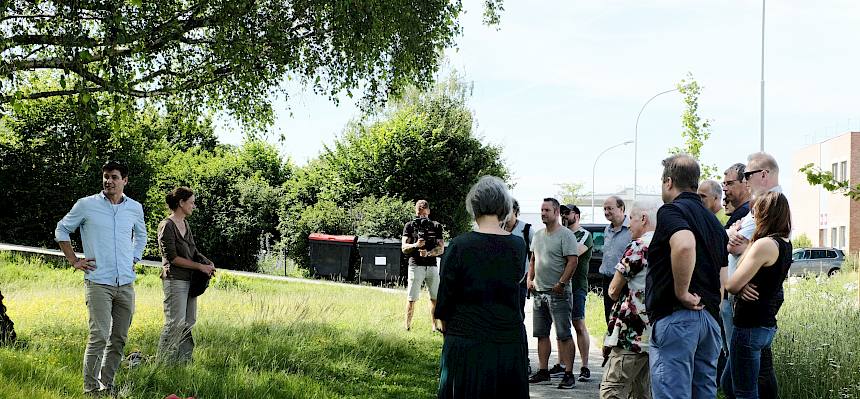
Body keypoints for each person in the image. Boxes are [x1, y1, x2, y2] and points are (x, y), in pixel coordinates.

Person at [55, 160, 147, 395]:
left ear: (124, 180)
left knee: (119, 337)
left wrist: (133, 259)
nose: (109, 181)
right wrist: (74, 260)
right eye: (106, 176)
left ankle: (108, 385)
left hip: (125, 282)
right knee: (99, 336)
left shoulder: (135, 208)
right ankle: (91, 389)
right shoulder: (86, 205)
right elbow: (62, 229)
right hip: (98, 282)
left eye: (115, 177)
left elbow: (142, 235)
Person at [435, 176, 528, 399]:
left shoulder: (459, 245)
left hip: (466, 341)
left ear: (474, 206)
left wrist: (443, 323)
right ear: (504, 207)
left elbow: (445, 298)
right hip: (508, 342)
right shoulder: (518, 245)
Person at [646, 154, 727, 399]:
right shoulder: (714, 223)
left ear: (669, 182)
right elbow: (723, 277)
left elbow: (684, 244)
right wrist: (714, 306)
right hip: (710, 321)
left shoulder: (671, 211)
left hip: (677, 317)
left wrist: (681, 292)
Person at [723, 152, 784, 398]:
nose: (744, 180)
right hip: (756, 305)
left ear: (764, 174)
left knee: (743, 388)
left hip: (753, 302)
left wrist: (738, 282)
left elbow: (732, 281)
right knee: (744, 378)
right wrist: (729, 236)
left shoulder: (773, 205)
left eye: (746, 175)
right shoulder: (766, 209)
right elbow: (731, 238)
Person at [600, 199, 660, 399]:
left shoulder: (638, 247)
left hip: (631, 334)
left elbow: (614, 289)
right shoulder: (667, 245)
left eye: (632, 219)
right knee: (642, 391)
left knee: (611, 389)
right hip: (655, 332)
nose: (628, 225)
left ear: (643, 219)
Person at [156, 187, 216, 363]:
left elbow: (193, 250)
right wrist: (199, 266)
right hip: (175, 280)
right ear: (181, 203)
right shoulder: (167, 225)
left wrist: (207, 263)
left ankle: (183, 362)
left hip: (190, 281)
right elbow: (172, 258)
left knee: (189, 321)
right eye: (191, 202)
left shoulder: (185, 224)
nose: (193, 206)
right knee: (175, 323)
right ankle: (163, 363)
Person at [527, 198, 579, 389]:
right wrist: (529, 279)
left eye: (547, 210)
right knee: (541, 334)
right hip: (539, 292)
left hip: (559, 293)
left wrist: (562, 283)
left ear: (556, 212)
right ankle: (543, 371)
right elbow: (533, 259)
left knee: (564, 334)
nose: (543, 213)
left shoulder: (566, 235)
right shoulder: (538, 235)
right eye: (541, 210)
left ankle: (569, 373)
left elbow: (573, 261)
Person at [560, 204, 593, 382]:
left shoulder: (584, 235)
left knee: (578, 324)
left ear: (577, 215)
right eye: (562, 212)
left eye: (567, 212)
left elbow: (573, 254)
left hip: (577, 286)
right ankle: (561, 364)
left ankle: (585, 366)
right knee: (561, 326)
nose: (564, 215)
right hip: (560, 286)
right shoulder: (560, 233)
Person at [402, 200, 445, 331]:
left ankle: (434, 326)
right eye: (420, 215)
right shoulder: (410, 226)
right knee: (412, 298)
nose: (423, 218)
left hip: (432, 266)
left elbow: (441, 248)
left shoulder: (436, 226)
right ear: (416, 213)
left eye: (425, 215)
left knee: (435, 297)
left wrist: (429, 253)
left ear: (429, 212)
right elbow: (404, 247)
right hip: (415, 265)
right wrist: (416, 245)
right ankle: (407, 326)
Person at [599, 196, 631, 325]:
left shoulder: (631, 228)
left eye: (610, 208)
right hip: (607, 280)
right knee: (609, 319)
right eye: (604, 209)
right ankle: (611, 345)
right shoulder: (607, 229)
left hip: (624, 282)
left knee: (624, 320)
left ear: (621, 208)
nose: (606, 212)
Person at [505, 199, 533, 320]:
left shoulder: (527, 230)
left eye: (507, 209)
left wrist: (531, 277)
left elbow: (537, 254)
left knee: (518, 314)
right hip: (501, 279)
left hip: (520, 280)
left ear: (515, 211)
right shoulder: (497, 228)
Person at [723, 163, 751, 229]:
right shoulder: (747, 209)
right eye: (724, 184)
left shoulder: (744, 211)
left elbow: (723, 238)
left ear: (746, 183)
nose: (724, 189)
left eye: (730, 183)